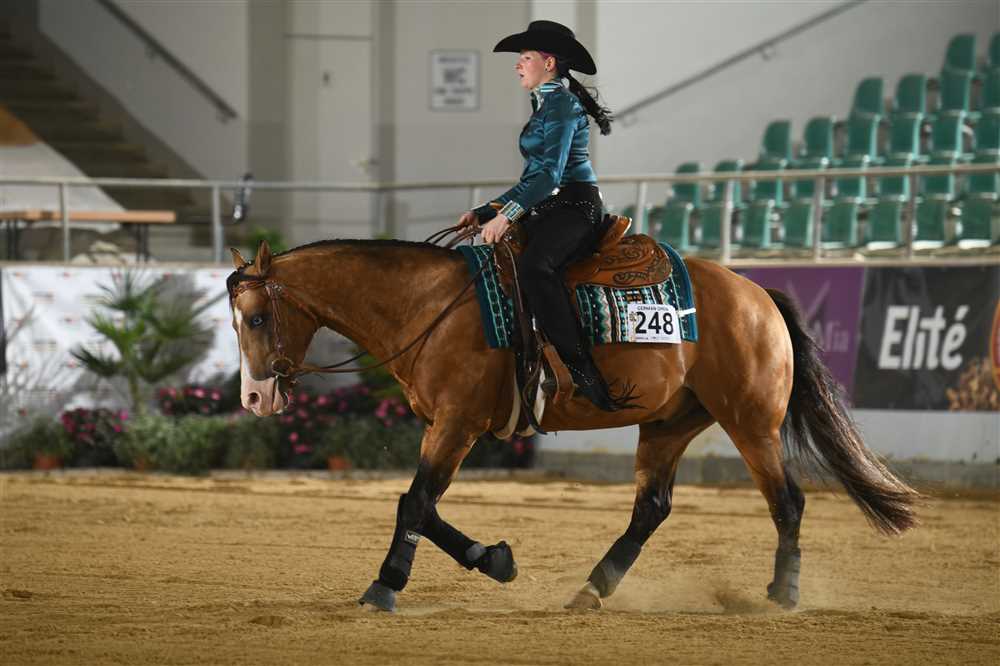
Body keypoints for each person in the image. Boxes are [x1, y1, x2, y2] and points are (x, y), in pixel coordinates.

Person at [457, 20, 632, 412]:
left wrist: (506, 216)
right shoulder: (546, 105)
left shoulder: (562, 106)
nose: (517, 65)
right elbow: (532, 180)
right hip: (552, 206)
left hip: (577, 207)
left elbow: (550, 177)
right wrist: (483, 212)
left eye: (525, 57)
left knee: (536, 267)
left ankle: (581, 370)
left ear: (548, 63)